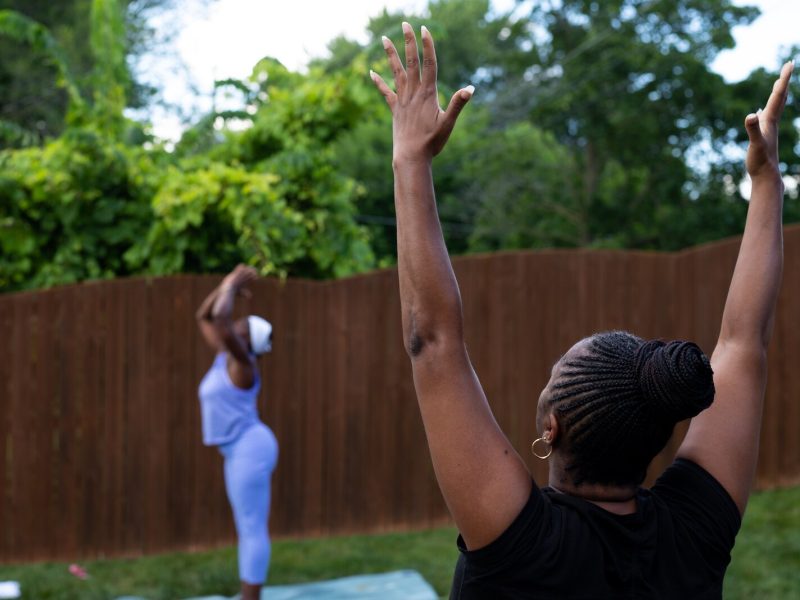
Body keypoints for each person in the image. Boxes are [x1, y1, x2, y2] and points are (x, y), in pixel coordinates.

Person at [371, 22, 793, 599]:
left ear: (552, 428)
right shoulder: (693, 530)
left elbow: (433, 341)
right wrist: (769, 180)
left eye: (554, 376)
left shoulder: (521, 545)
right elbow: (745, 343)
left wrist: (410, 159)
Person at [195, 264, 278, 600]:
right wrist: (223, 286)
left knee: (251, 527)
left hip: (250, 449)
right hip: (237, 450)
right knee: (246, 525)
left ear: (246, 340)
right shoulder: (224, 357)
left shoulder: (244, 365)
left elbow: (221, 321)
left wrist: (230, 286)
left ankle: (250, 598)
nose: (234, 324)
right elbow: (205, 316)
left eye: (241, 325)